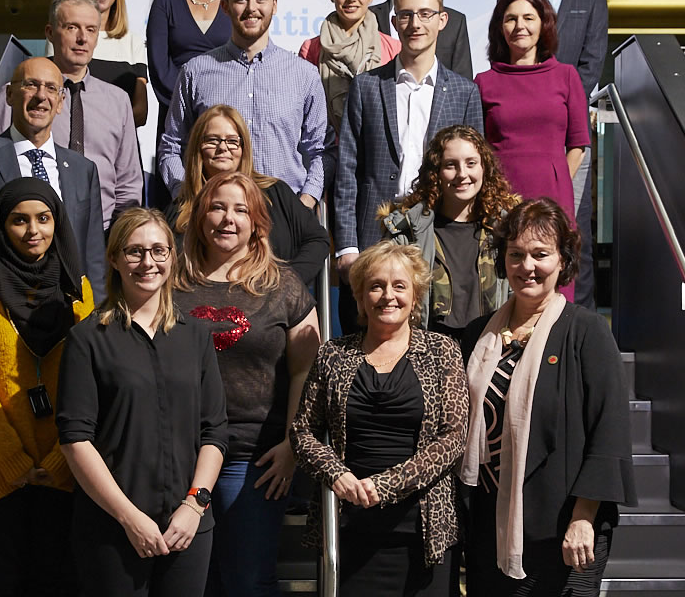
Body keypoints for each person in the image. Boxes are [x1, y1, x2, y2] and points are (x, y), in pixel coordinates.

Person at [458, 198, 635, 597]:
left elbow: (609, 431)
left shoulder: (587, 333)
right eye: (516, 255)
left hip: (564, 529)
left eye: (540, 255)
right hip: (489, 526)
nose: (527, 267)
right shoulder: (476, 335)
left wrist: (584, 517)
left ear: (563, 261)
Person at [56, 207, 228, 596]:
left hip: (188, 527)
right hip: (112, 530)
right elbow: (75, 439)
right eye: (134, 251)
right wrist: (130, 519)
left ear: (172, 256)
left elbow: (214, 431)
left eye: (158, 250)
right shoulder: (88, 339)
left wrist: (194, 505)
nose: (147, 262)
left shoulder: (196, 336)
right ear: (114, 258)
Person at [290, 241, 468, 597]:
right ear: (360, 297)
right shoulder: (333, 355)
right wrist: (337, 474)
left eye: (399, 286)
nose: (388, 295)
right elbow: (302, 433)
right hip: (350, 527)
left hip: (423, 531)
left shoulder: (442, 350)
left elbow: (452, 437)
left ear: (415, 296)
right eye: (376, 286)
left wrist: (385, 485)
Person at [174, 171, 321, 596]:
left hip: (253, 460)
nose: (228, 218)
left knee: (247, 582)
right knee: (193, 582)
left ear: (257, 223)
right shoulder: (171, 283)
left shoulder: (283, 284)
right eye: (217, 207)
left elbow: (305, 370)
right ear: (200, 216)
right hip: (182, 455)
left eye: (241, 209)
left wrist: (294, 444)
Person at [0, 177, 94, 597]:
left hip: (63, 469)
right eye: (20, 220)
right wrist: (12, 462)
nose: (34, 231)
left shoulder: (77, 289)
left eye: (44, 219)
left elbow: (90, 384)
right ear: (1, 226)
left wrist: (65, 460)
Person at [334, 0, 482, 334]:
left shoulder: (464, 92)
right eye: (406, 15)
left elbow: (475, 174)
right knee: (365, 341)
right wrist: (347, 247)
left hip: (437, 236)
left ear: (442, 20)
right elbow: (347, 171)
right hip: (375, 234)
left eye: (426, 14)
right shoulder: (367, 86)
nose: (415, 24)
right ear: (394, 20)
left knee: (431, 340)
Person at [158, 0, 330, 210]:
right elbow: (172, 146)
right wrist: (187, 197)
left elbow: (320, 151)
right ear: (225, 6)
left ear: (275, 4)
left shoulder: (304, 75)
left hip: (283, 215)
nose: (252, 8)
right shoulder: (196, 72)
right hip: (216, 218)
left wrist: (305, 203)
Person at [0, 57, 105, 301]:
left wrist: (95, 320)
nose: (41, 96)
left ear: (60, 102)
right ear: (9, 95)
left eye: (50, 88)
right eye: (30, 85)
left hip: (65, 314)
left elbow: (94, 259)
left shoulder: (83, 169)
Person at [0, 0, 143, 230]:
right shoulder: (20, 94)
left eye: (90, 29)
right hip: (31, 235)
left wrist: (119, 238)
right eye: (72, 27)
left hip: (101, 237)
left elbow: (128, 183)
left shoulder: (118, 101)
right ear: (49, 33)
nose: (82, 38)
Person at [520, 0, 609, 310]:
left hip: (570, 133)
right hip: (529, 135)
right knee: (527, 232)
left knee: (574, 232)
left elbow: (592, 63)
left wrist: (563, 103)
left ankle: (579, 319)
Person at [475, 0, 589, 300]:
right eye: (510, 19)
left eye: (529, 17)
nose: (520, 26)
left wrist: (557, 181)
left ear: (544, 24)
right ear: (500, 27)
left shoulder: (566, 76)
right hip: (501, 200)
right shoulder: (484, 82)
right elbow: (478, 151)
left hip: (554, 199)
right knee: (504, 287)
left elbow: (578, 144)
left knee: (553, 286)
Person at [381, 125, 518, 340]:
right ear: (436, 172)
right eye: (451, 165)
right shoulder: (407, 231)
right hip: (428, 350)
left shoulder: (505, 228)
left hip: (489, 346)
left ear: (484, 168)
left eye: (471, 163)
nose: (462, 174)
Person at [168, 104, 329, 285]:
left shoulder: (276, 194)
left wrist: (286, 285)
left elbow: (317, 240)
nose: (223, 147)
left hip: (273, 306)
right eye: (212, 140)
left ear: (243, 148)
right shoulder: (180, 210)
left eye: (232, 141)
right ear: (198, 148)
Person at [146, 0, 232, 143]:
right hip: (178, 118)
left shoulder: (234, 0)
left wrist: (219, 106)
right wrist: (191, 103)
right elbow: (159, 66)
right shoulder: (166, 2)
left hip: (229, 117)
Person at [299, 0, 401, 135]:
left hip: (377, 147)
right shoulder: (311, 49)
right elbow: (304, 108)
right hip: (328, 149)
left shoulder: (393, 48)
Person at [70, 0, 150, 127]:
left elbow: (140, 113)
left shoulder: (133, 43)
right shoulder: (63, 38)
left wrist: (103, 128)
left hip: (119, 147)